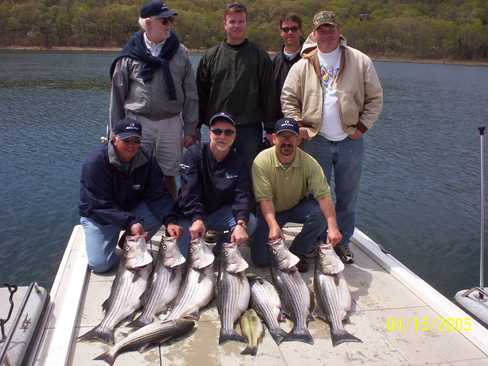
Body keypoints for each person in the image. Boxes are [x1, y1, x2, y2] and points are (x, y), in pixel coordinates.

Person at [281, 11, 383, 264]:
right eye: (321, 30)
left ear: (339, 31)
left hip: (351, 140)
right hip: (316, 140)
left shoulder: (360, 61)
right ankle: (318, 241)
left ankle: (342, 243)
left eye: (330, 29)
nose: (326, 34)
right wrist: (299, 126)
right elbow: (288, 99)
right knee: (318, 197)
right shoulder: (303, 64)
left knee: (347, 197)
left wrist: (362, 126)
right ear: (314, 34)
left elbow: (375, 98)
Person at [109, 0, 199, 199]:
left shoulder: (180, 52)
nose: (169, 25)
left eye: (170, 21)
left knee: (170, 173)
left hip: (171, 122)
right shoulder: (129, 55)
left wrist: (191, 128)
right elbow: (117, 96)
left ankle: (171, 216)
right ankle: (138, 217)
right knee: (137, 172)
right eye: (164, 21)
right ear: (148, 23)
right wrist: (115, 132)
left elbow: (191, 94)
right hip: (137, 122)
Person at [79, 118, 180, 273]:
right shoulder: (95, 163)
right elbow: (97, 204)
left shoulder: (148, 160)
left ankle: (128, 242)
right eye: (126, 140)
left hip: (131, 211)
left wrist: (170, 220)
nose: (132, 146)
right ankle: (127, 243)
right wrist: (130, 222)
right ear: (114, 139)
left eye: (136, 141)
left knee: (160, 212)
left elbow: (158, 195)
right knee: (100, 265)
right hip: (100, 216)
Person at [251, 118, 342, 272]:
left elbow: (324, 196)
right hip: (269, 211)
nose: (287, 142)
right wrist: (273, 225)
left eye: (291, 136)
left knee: (321, 214)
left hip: (296, 207)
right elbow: (264, 199)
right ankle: (262, 237)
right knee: (260, 261)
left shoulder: (310, 163)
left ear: (298, 140)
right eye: (282, 136)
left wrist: (333, 227)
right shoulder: (261, 161)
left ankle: (297, 251)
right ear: (274, 139)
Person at [196, 2, 276, 167]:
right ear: (225, 24)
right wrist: (195, 127)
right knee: (216, 173)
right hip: (218, 128)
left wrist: (269, 129)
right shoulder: (211, 56)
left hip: (249, 129)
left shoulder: (260, 56)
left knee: (248, 175)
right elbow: (200, 94)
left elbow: (269, 95)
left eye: (241, 21)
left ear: (246, 23)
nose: (237, 26)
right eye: (232, 22)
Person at [174, 112, 257, 256]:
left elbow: (242, 195)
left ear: (234, 136)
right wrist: (197, 218)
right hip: (191, 217)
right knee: (184, 260)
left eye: (228, 132)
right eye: (217, 131)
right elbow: (189, 193)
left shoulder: (239, 161)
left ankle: (221, 247)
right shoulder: (192, 155)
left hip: (219, 213)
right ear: (210, 133)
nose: (222, 136)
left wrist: (240, 223)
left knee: (251, 222)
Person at [272, 13, 303, 119]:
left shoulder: (310, 59)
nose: (290, 32)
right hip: (279, 124)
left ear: (300, 31)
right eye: (285, 29)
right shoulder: (273, 62)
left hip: (305, 124)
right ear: (281, 33)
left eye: (294, 29)